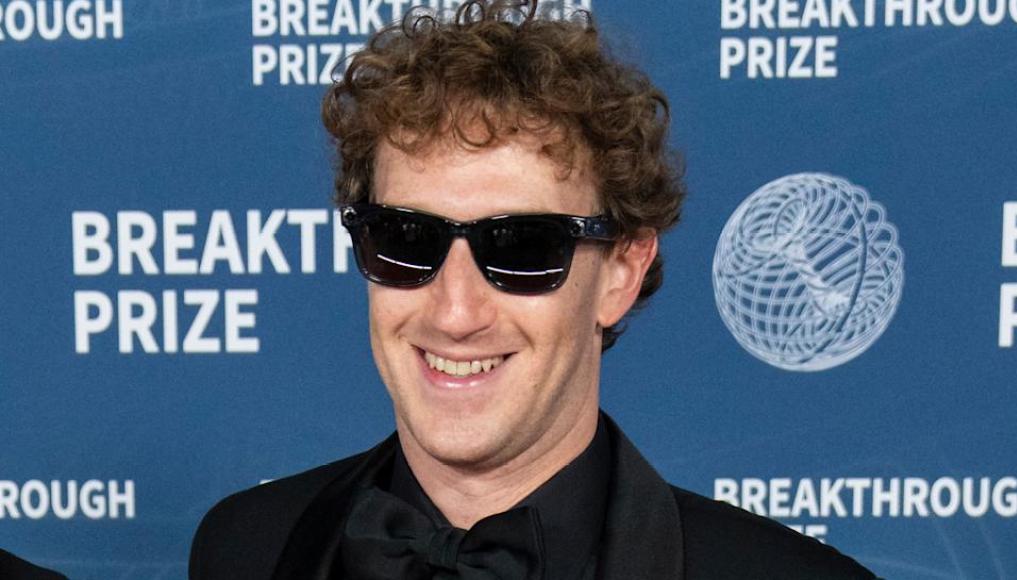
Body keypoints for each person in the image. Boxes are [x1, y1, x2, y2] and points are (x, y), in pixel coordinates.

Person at [190, 1, 876, 578]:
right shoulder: (247, 548)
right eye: (406, 240)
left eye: (521, 249)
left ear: (621, 272)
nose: (455, 311)